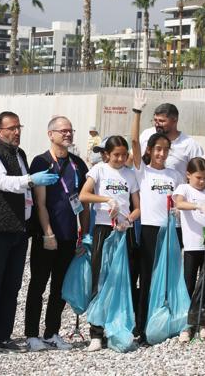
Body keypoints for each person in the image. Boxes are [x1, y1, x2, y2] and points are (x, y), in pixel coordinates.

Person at [0, 111, 58, 351]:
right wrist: (30, 180)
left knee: (13, 285)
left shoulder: (20, 154)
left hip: (20, 230)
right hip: (0, 229)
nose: (16, 132)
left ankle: (4, 334)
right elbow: (3, 182)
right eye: (11, 128)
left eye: (18, 127)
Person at [24, 116, 90, 352]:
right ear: (50, 134)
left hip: (69, 234)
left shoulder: (78, 164)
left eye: (70, 130)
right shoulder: (41, 162)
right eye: (63, 131)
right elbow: (40, 203)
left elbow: (83, 201)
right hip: (47, 235)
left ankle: (51, 332)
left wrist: (85, 233)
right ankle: (31, 334)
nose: (68, 134)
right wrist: (47, 233)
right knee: (38, 284)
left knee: (60, 287)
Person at [130, 92, 183, 343]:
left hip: (169, 231)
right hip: (150, 230)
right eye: (157, 149)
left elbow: (181, 201)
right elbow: (133, 141)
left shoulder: (174, 175)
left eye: (165, 149)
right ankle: (141, 327)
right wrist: (137, 112)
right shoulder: (142, 171)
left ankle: (162, 322)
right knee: (148, 278)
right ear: (150, 151)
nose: (162, 153)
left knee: (168, 279)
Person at [79, 135, 141, 352]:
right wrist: (106, 200)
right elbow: (84, 195)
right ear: (107, 154)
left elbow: (137, 207)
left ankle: (119, 326)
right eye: (116, 155)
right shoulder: (99, 170)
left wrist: (128, 219)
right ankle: (96, 332)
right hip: (104, 230)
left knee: (124, 280)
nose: (121, 158)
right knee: (100, 278)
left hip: (124, 231)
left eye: (124, 155)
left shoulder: (131, 174)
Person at [173, 157, 205, 342]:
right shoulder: (184, 189)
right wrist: (197, 205)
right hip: (191, 246)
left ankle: (203, 322)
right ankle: (187, 324)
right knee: (188, 284)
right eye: (198, 178)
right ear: (188, 175)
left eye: (204, 178)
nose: (202, 182)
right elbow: (179, 203)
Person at [139, 102, 205, 177]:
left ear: (174, 120)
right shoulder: (146, 135)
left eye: (162, 121)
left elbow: (201, 173)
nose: (157, 124)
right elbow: (131, 160)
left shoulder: (190, 145)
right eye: (155, 120)